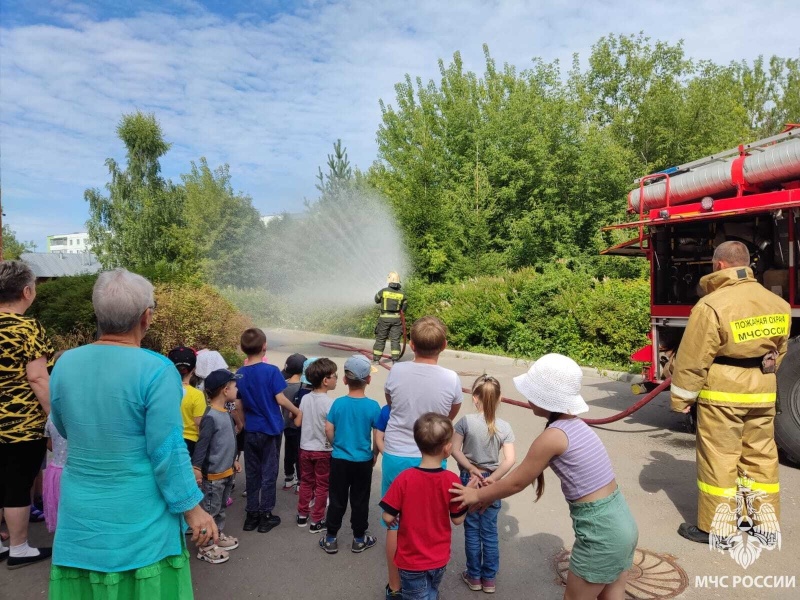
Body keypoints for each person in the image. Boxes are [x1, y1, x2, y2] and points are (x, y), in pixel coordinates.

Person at [49, 268, 217, 598]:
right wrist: (192, 508)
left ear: (98, 313)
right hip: (140, 524)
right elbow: (167, 449)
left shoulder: (66, 364)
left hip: (80, 522)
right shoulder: (157, 369)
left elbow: (65, 427)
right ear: (146, 317)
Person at [450, 354, 638, 600]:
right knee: (611, 596)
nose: (527, 399)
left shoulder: (553, 436)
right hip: (622, 523)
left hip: (600, 532)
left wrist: (476, 493)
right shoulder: (576, 426)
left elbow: (517, 480)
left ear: (546, 399)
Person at [669, 241, 791, 544]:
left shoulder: (711, 305)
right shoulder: (778, 303)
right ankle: (764, 524)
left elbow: (693, 358)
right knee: (761, 458)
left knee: (720, 459)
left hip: (723, 394)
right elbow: (782, 352)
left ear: (720, 266)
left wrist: (682, 398)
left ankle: (717, 528)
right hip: (762, 393)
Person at [382, 316, 462, 598]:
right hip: (432, 458)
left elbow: (391, 403)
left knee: (394, 522)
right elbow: (450, 416)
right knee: (429, 518)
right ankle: (428, 571)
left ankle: (395, 587)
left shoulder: (397, 371)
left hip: (395, 452)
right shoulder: (451, 378)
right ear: (444, 345)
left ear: (411, 345)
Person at [0, 260, 53, 568]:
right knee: (17, 485)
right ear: (27, 291)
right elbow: (37, 377)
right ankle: (19, 548)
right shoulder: (27, 327)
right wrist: (54, 416)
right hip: (21, 426)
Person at [380, 413, 467, 600]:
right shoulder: (452, 480)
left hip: (410, 559)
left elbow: (387, 517)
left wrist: (393, 518)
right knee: (431, 592)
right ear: (447, 448)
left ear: (418, 444)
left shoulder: (404, 478)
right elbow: (458, 519)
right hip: (439, 558)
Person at [451, 375, 516, 594]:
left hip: (468, 479)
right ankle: (489, 579)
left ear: (474, 397)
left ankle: (474, 576)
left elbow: (454, 449)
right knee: (489, 532)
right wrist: (494, 478)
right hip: (491, 481)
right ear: (500, 400)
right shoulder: (505, 427)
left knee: (471, 529)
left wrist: (470, 468)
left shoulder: (465, 422)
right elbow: (510, 459)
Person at [236, 328, 301, 533]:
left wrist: (242, 423)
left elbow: (237, 405)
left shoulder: (240, 373)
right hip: (270, 430)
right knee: (269, 472)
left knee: (253, 471)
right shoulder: (271, 370)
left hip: (251, 430)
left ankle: (251, 514)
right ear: (264, 347)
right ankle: (266, 515)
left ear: (242, 348)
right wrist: (298, 411)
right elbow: (280, 399)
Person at [320, 355, 381, 554]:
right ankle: (359, 538)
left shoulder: (337, 404)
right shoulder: (373, 406)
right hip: (363, 461)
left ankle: (330, 537)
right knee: (360, 499)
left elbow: (328, 428)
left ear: (345, 380)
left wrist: (336, 444)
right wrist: (374, 454)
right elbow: (377, 434)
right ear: (369, 380)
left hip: (339, 459)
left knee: (337, 497)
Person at [192, 369, 242, 564]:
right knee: (210, 511)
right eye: (234, 385)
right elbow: (202, 445)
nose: (237, 388)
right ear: (225, 389)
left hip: (226, 472)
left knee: (220, 508)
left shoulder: (226, 413)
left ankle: (217, 535)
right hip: (213, 476)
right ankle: (205, 547)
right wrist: (196, 468)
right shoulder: (211, 416)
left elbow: (229, 439)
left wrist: (234, 460)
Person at [294, 358, 337, 534]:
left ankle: (302, 514)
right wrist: (335, 444)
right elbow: (329, 428)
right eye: (334, 376)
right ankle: (317, 519)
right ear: (326, 380)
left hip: (305, 448)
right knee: (322, 485)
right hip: (323, 450)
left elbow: (300, 420)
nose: (336, 378)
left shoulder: (305, 398)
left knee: (306, 482)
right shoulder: (330, 403)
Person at [168, 346, 206, 456]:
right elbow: (199, 424)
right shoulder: (197, 395)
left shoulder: (163, 392)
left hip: (168, 440)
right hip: (190, 444)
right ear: (194, 369)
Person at [281, 353, 308, 491]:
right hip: (299, 426)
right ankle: (300, 481)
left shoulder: (283, 385)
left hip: (286, 424)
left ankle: (288, 477)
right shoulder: (303, 387)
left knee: (289, 451)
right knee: (299, 453)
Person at [373, 271, 407, 363]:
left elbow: (376, 300)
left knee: (381, 338)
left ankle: (376, 360)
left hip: (384, 319)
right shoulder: (402, 294)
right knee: (395, 339)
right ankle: (395, 360)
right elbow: (404, 308)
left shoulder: (383, 291)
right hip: (396, 320)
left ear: (389, 281)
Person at [43, 414, 67, 534]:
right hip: (74, 472)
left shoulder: (52, 417)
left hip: (56, 471)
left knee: (58, 510)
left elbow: (49, 444)